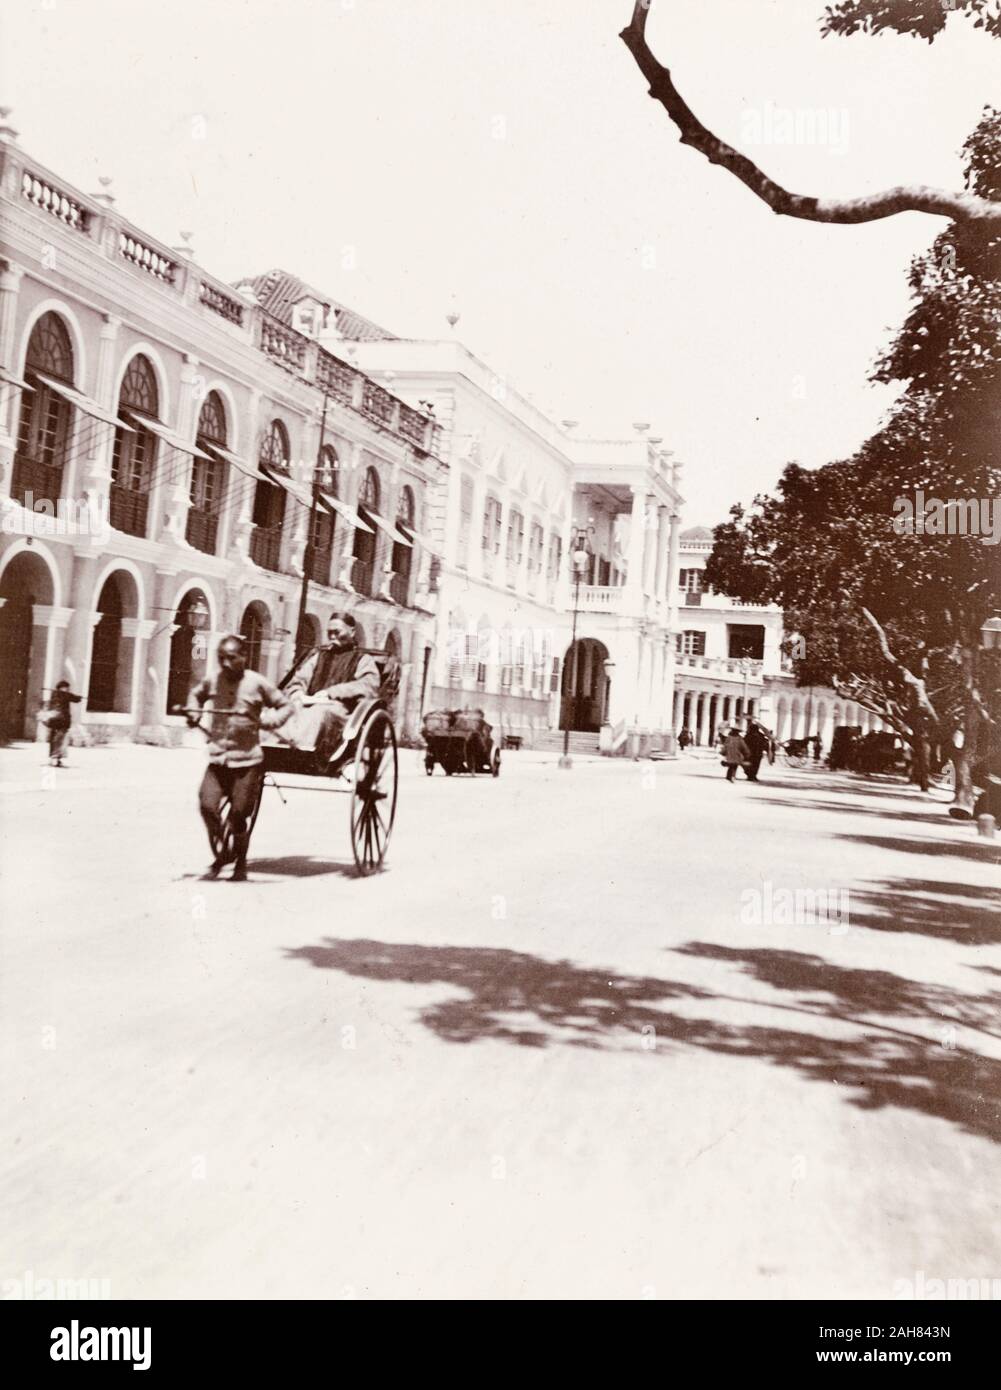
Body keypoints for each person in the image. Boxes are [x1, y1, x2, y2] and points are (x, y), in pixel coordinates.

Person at [187, 634, 293, 881]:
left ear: (243, 658)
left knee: (238, 814)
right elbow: (195, 696)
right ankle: (225, 853)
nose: (225, 663)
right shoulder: (213, 680)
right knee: (206, 805)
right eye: (221, 658)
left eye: (231, 658)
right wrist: (193, 712)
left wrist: (269, 721)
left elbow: (285, 706)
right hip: (218, 759)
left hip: (247, 762)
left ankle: (240, 863)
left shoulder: (257, 683)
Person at [282, 613, 380, 767]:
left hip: (341, 711)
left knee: (320, 713)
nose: (332, 636)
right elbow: (299, 680)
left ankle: (302, 751)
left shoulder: (363, 659)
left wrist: (332, 692)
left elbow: (367, 685)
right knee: (283, 711)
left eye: (337, 632)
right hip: (309, 703)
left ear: (352, 632)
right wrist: (298, 694)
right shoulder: (318, 657)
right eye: (329, 633)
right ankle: (278, 747)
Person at [43, 680, 81, 766]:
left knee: (54, 739)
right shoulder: (65, 695)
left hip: (54, 721)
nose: (67, 689)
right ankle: (56, 758)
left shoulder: (54, 694)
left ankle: (54, 758)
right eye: (66, 687)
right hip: (63, 721)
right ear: (62, 687)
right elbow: (76, 699)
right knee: (60, 740)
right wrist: (79, 697)